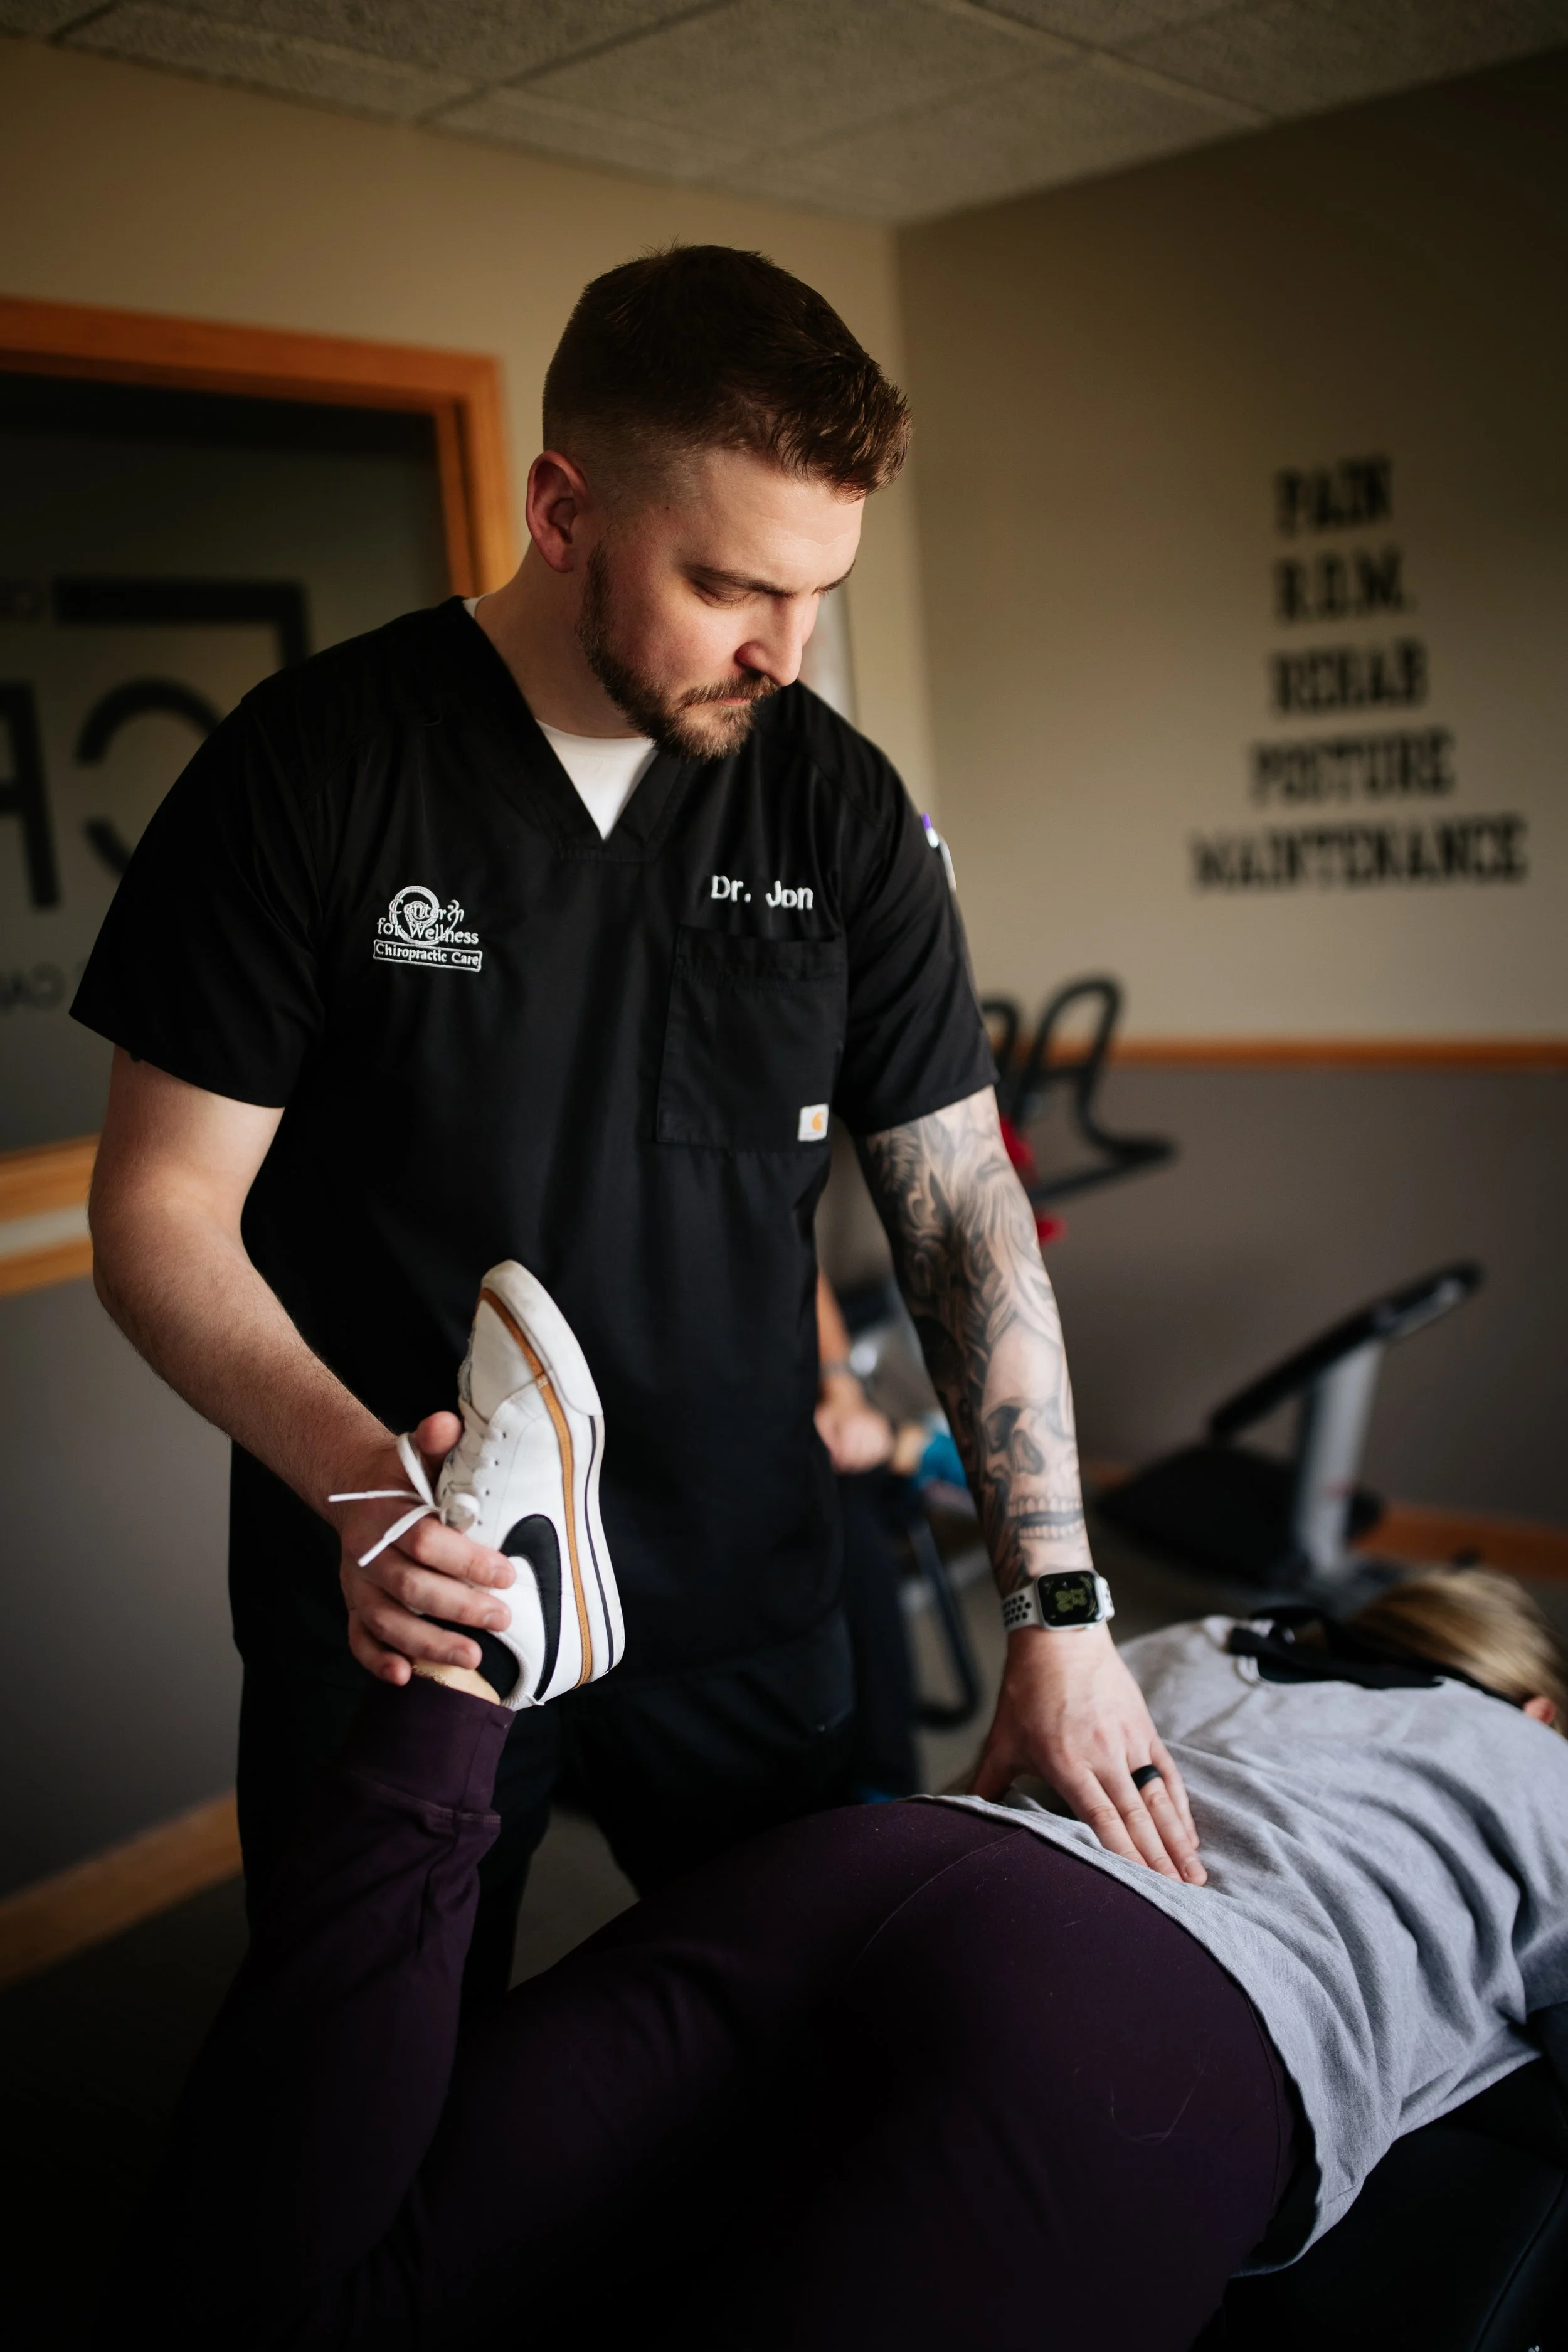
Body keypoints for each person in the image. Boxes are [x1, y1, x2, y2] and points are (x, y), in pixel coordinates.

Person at [77, 244, 1199, 1995]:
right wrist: (368, 1491)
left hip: (744, 1599)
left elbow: (960, 1203)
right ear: (560, 508)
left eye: (818, 589)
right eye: (733, 583)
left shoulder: (834, 802)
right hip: (406, 1606)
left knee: (786, 2075)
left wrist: (1056, 1607)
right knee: (368, 2122)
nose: (784, 647)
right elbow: (156, 1212)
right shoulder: (310, 768)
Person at [126, 1523, 1568, 2349]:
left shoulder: (1191, 1649)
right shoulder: (1539, 1770)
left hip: (865, 1871)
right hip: (1146, 2032)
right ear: (1535, 1704)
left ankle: (465, 1652)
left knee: (298, 2303)